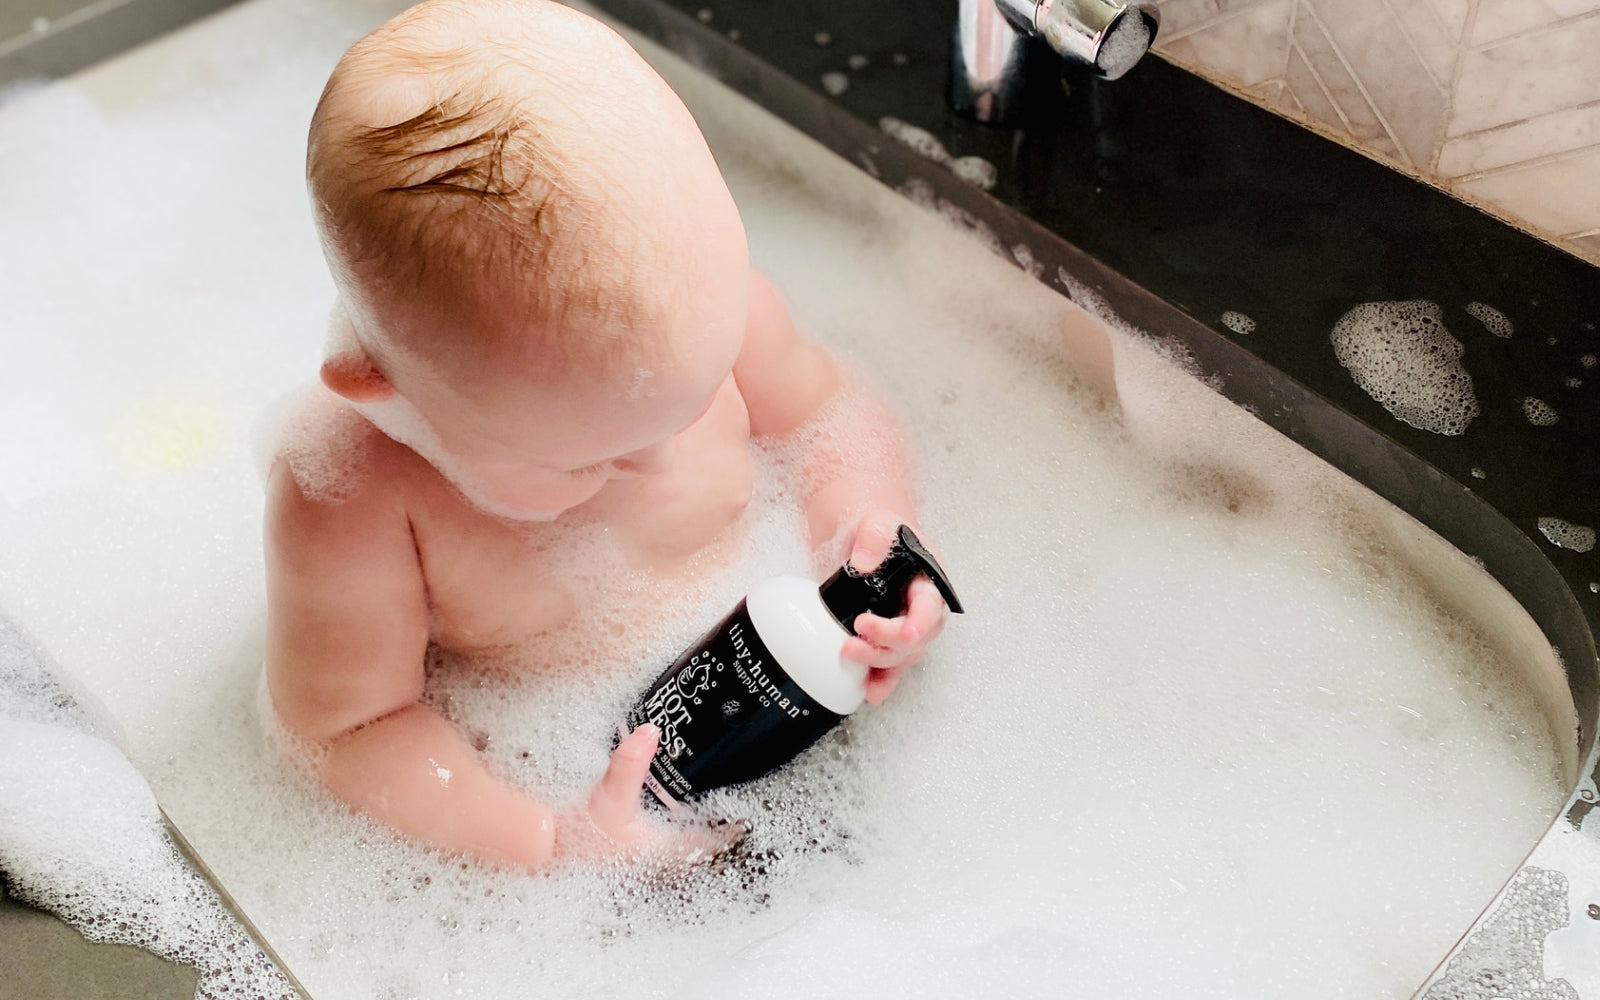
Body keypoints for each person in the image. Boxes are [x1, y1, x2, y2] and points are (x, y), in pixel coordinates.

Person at [265, 0, 950, 872]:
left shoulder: (713, 316)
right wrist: (549, 839)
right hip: (568, 782)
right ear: (383, 388)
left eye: (694, 400)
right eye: (585, 456)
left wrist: (875, 543)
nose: (654, 456)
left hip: (804, 720)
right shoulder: (351, 494)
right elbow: (345, 729)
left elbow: (826, 417)